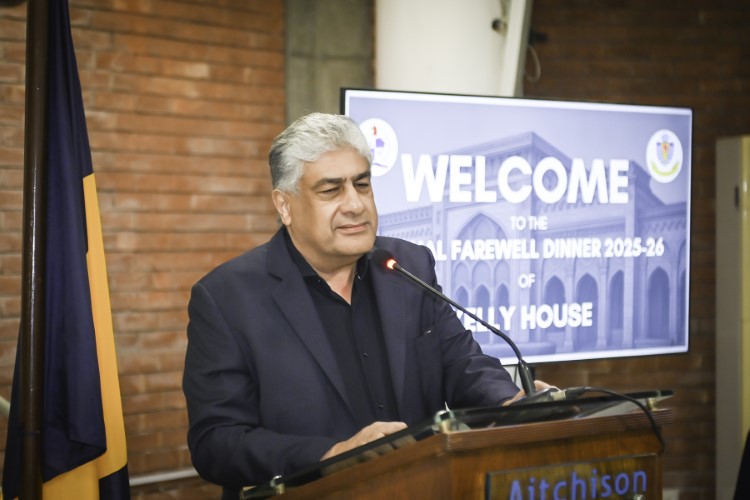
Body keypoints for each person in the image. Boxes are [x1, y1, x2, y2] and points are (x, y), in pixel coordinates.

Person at [183, 112, 548, 498]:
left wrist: (512, 402)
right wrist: (331, 456)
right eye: (331, 190)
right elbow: (216, 442)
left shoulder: (408, 266)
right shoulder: (228, 298)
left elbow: (462, 364)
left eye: (362, 184)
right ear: (285, 206)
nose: (355, 204)